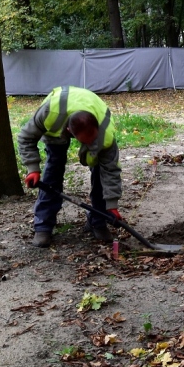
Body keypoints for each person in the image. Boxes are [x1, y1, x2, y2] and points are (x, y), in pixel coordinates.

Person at [17, 86, 123, 248]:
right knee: (53, 170)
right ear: (69, 131)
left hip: (88, 113)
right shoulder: (49, 113)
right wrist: (33, 169)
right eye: (84, 141)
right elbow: (25, 138)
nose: (89, 144)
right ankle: (43, 226)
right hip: (57, 121)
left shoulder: (104, 132)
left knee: (101, 173)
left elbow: (110, 170)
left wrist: (112, 205)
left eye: (91, 140)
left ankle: (98, 221)